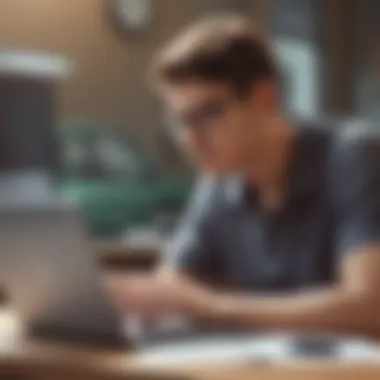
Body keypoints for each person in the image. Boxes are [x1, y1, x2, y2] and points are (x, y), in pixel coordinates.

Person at [109, 15, 380, 336]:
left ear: (264, 98)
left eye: (206, 114)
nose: (190, 139)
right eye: (179, 122)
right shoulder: (219, 180)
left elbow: (370, 306)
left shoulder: (353, 155)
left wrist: (211, 305)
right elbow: (172, 287)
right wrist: (126, 296)